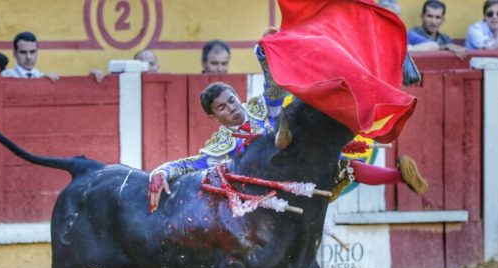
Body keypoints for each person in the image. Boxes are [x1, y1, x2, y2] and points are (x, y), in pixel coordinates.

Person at [148, 29, 428, 213]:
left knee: (338, 161)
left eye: (232, 100)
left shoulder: (259, 106)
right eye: (222, 108)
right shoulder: (220, 143)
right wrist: (161, 171)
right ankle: (280, 138)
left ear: (237, 96)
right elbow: (190, 164)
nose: (231, 108)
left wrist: (264, 53)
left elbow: (272, 84)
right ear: (213, 117)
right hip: (267, 192)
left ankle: (399, 176)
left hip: (295, 164)